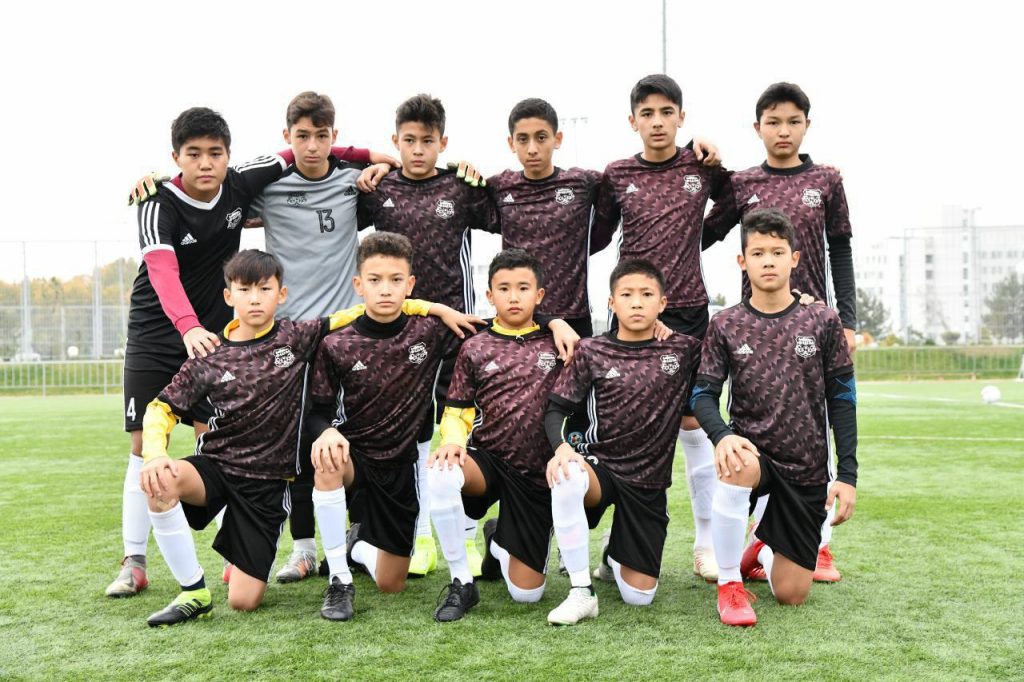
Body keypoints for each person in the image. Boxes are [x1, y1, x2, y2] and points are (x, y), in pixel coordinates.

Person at [135, 249, 474, 626]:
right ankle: (193, 591)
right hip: (216, 465)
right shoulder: (209, 353)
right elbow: (160, 408)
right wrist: (154, 454)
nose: (254, 298)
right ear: (229, 296)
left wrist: (434, 308)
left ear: (281, 294)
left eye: (264, 289)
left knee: (245, 601)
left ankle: (353, 546)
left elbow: (367, 309)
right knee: (159, 482)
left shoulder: (296, 336)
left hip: (265, 487)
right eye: (245, 290)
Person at [108, 107, 297, 598]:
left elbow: (304, 148)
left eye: (215, 152)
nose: (205, 162)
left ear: (229, 155)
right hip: (157, 335)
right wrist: (188, 327)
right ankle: (134, 561)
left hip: (211, 336)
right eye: (193, 154)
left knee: (215, 439)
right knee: (142, 446)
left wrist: (374, 157)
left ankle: (234, 556)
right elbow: (163, 273)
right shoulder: (157, 203)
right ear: (176, 158)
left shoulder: (240, 182)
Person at [702, 82, 857, 581]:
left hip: (812, 321)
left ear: (806, 125)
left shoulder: (826, 180)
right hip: (756, 325)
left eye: (793, 121)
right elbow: (701, 232)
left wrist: (848, 319)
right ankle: (738, 545)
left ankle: (818, 543)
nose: (783, 131)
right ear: (758, 128)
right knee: (754, 428)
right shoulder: (743, 183)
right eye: (773, 122)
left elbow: (840, 249)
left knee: (814, 423)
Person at [594, 74, 732, 582]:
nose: (657, 122)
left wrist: (697, 237)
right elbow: (597, 235)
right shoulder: (616, 173)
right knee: (626, 429)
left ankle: (705, 544)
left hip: (688, 311)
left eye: (666, 112)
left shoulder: (701, 165)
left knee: (694, 423)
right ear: (633, 121)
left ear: (681, 117)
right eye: (647, 114)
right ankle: (616, 544)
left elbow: (736, 200)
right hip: (631, 312)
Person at [690, 208, 858, 627]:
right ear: (742, 261)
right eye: (758, 253)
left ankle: (760, 548)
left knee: (791, 595)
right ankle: (729, 584)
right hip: (755, 457)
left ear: (794, 259)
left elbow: (842, 398)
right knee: (737, 462)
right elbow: (702, 395)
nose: (768, 261)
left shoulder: (823, 320)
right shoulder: (726, 323)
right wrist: (722, 435)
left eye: (777, 252)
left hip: (805, 467)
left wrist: (848, 475)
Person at [355, 94, 498, 577]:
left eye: (428, 141)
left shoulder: (461, 187)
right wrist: (369, 165)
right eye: (409, 141)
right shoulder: (377, 188)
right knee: (411, 436)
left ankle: (468, 538)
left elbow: (508, 212)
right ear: (395, 141)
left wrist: (477, 175)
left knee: (464, 429)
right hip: (400, 334)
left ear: (443, 142)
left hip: (458, 329)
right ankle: (416, 538)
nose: (418, 150)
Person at [542, 259, 702, 625]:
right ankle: (581, 591)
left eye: (647, 294)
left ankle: (614, 554)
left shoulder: (684, 349)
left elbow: (732, 340)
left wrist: (802, 300)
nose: (636, 302)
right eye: (626, 295)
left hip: (648, 482)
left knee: (639, 597)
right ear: (612, 303)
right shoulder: (591, 350)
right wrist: (562, 448)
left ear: (662, 303)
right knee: (567, 475)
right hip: (601, 468)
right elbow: (556, 410)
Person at [427, 249, 564, 622]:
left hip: (535, 472)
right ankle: (461, 581)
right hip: (486, 460)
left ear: (539, 295)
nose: (513, 296)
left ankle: (497, 540)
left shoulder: (558, 342)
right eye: (504, 288)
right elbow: (456, 408)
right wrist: (452, 441)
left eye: (523, 288)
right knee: (441, 471)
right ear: (489, 295)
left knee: (527, 595)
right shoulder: (474, 346)